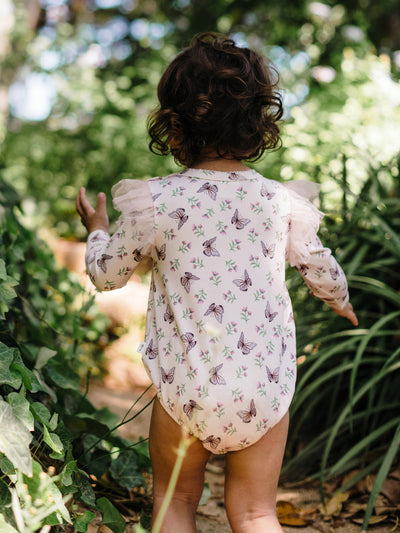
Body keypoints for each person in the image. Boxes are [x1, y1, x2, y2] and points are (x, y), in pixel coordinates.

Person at [76, 33, 358, 533]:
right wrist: (341, 301)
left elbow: (106, 274)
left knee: (175, 502)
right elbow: (320, 267)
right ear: (259, 122)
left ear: (174, 125)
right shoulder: (279, 203)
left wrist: (97, 230)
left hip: (186, 387)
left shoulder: (157, 202)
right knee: (254, 512)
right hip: (262, 389)